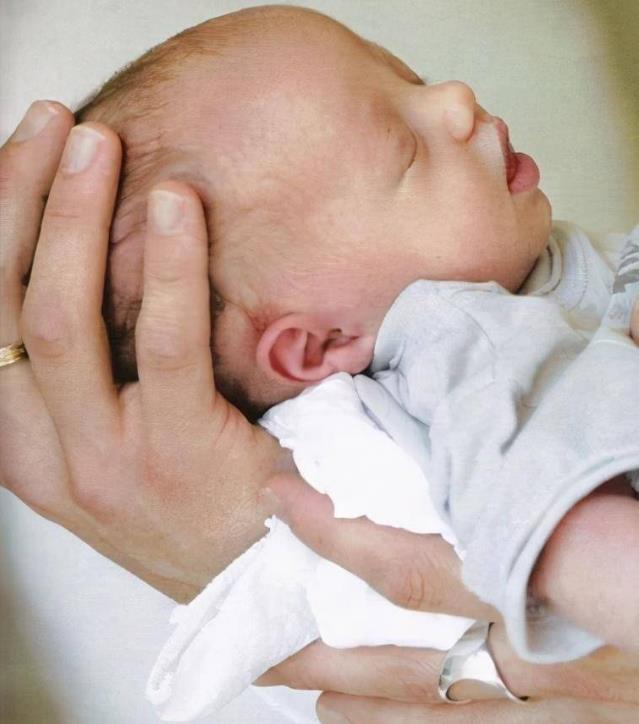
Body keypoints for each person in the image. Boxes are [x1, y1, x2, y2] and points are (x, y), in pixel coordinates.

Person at [1, 5, 638, 722]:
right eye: (405, 151)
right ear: (318, 346)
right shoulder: (464, 344)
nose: (456, 100)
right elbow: (570, 531)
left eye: (415, 81)